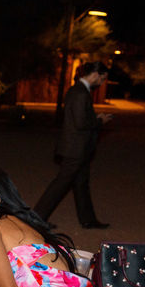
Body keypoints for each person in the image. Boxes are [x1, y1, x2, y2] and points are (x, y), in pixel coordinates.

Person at [33, 60, 112, 229]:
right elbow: (80, 122)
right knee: (61, 184)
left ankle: (88, 220)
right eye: (103, 78)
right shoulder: (80, 92)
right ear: (96, 74)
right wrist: (99, 121)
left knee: (81, 184)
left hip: (78, 148)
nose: (102, 82)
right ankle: (36, 219)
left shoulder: (79, 90)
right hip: (74, 149)